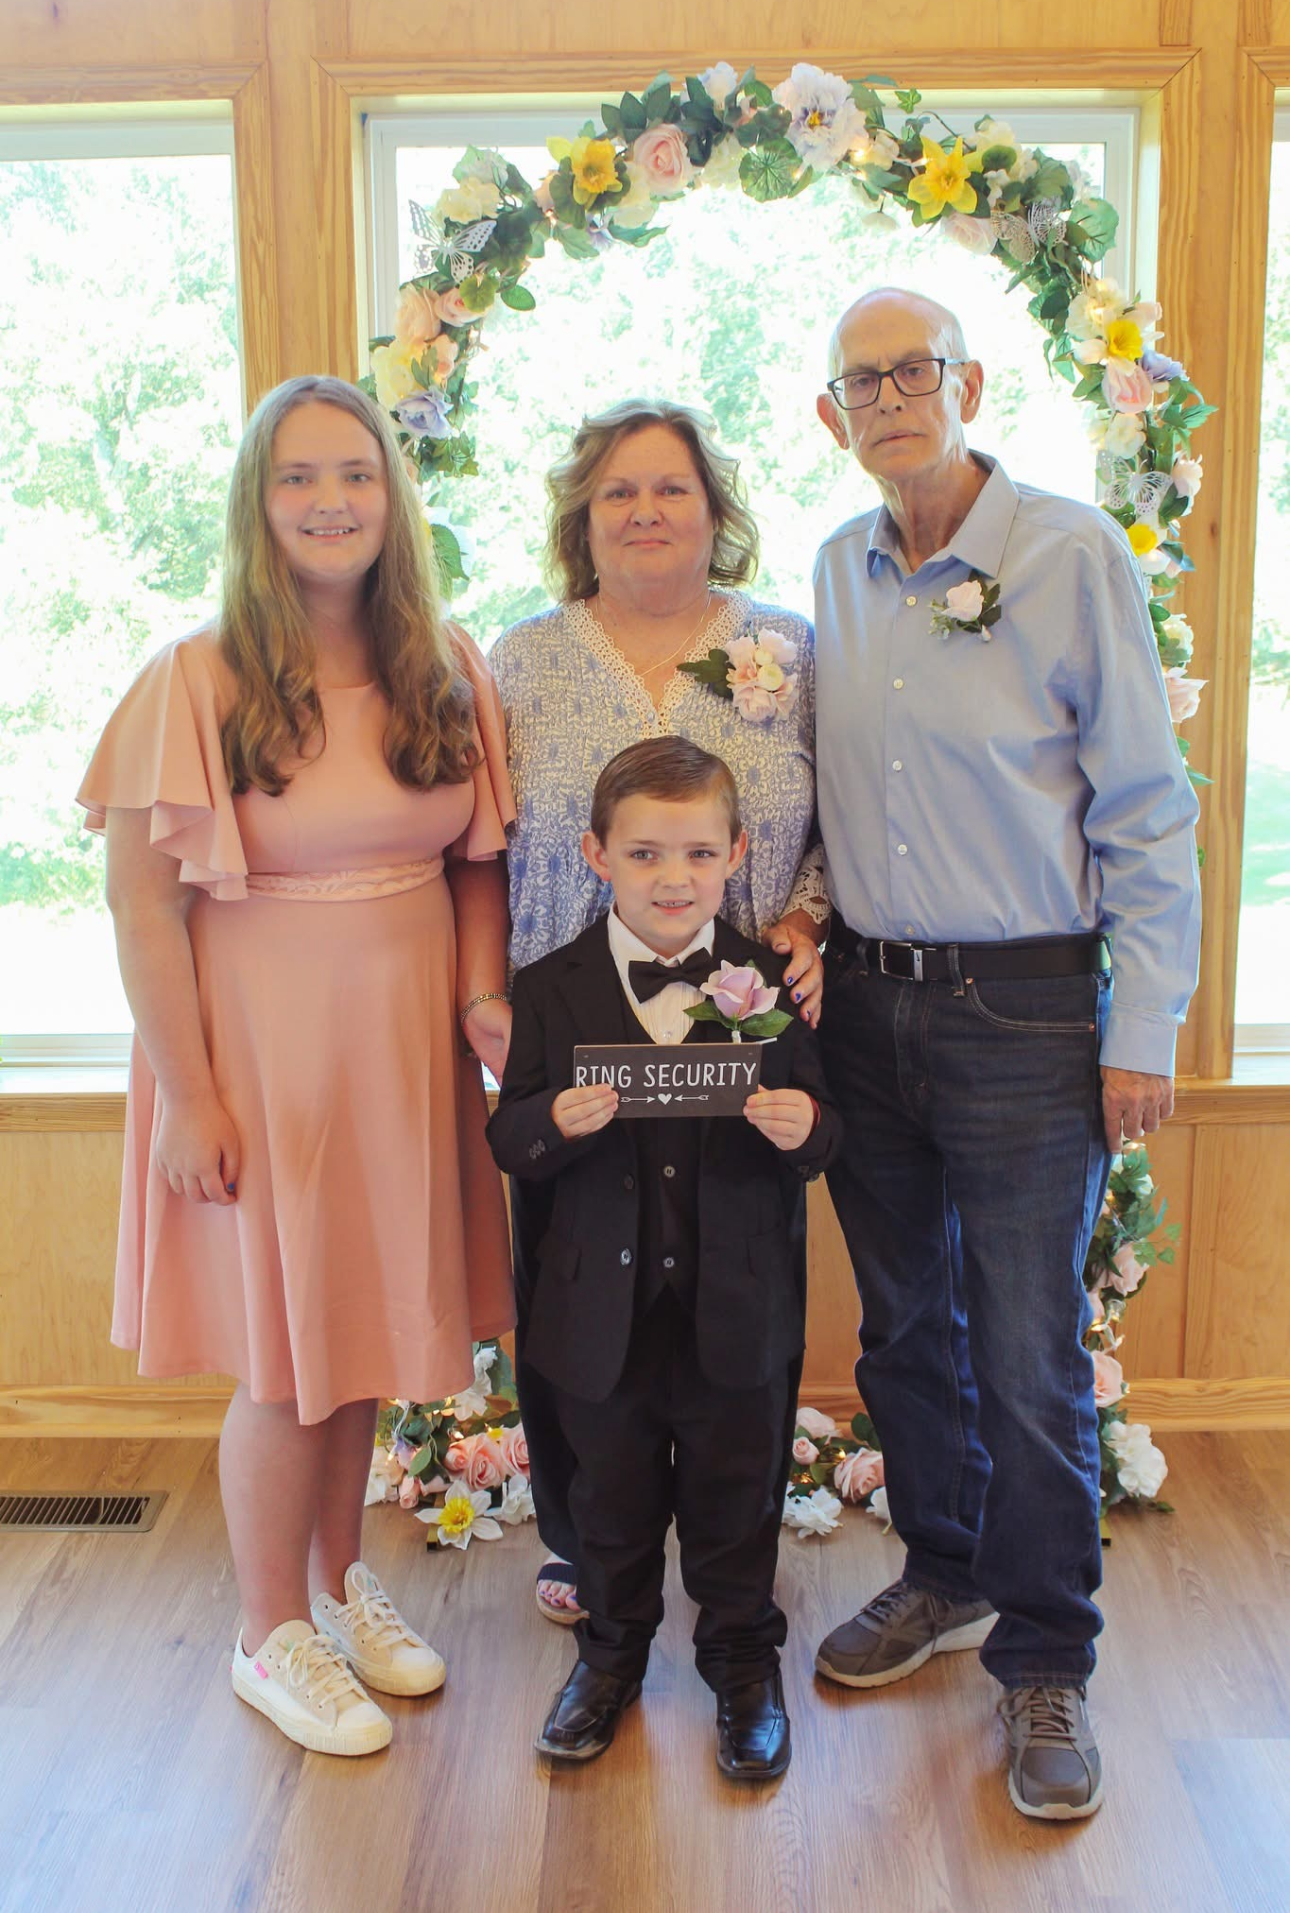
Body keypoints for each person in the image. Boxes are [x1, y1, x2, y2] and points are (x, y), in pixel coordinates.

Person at [77, 375, 516, 1757]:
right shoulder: (195, 677)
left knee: (362, 1329)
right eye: (299, 478)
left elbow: (479, 864)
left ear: (394, 498)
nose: (332, 502)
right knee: (283, 1355)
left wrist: (481, 1000)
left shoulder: (443, 661)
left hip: (403, 1050)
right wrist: (190, 1093)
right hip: (260, 1059)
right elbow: (141, 908)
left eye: (357, 474)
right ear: (256, 505)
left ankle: (336, 1585)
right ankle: (266, 1630)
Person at [809, 289, 1201, 1820]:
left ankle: (1046, 1655)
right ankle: (945, 1570)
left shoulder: (1068, 553)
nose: (889, 399)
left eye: (912, 371)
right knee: (904, 1328)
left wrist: (1139, 1028)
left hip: (1029, 1013)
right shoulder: (833, 573)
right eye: (860, 382)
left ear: (966, 383)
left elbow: (1146, 812)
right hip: (865, 1006)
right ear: (831, 416)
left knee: (1028, 1354)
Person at [489, 398, 829, 1625]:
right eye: (618, 490)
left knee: (737, 1272)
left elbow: (839, 819)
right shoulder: (522, 659)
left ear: (714, 507)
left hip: (742, 1018)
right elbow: (480, 846)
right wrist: (484, 994)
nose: (645, 510)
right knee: (573, 1287)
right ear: (582, 515)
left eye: (671, 486)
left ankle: (736, 1563)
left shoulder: (789, 648)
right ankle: (587, 1540)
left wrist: (807, 921)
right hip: (565, 1018)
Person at [487, 736, 840, 1778]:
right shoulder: (548, 987)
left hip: (737, 1306)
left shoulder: (769, 982)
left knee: (738, 1497)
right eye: (643, 853)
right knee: (611, 1502)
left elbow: (828, 1130)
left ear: (737, 854)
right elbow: (510, 1137)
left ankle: (742, 1665)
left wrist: (804, 1127)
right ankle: (609, 1658)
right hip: (601, 1315)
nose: (672, 877)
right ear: (597, 854)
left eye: (697, 852)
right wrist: (551, 1120)